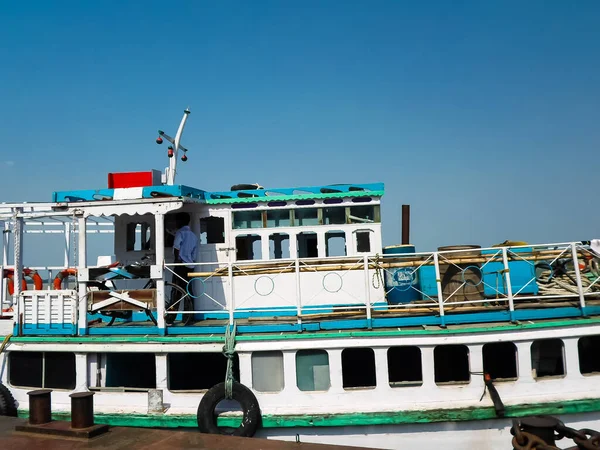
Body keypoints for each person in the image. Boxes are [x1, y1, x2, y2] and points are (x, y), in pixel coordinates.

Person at [167, 212, 198, 324]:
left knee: (176, 291)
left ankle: (171, 317)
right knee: (188, 290)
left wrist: (177, 261)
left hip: (180, 265)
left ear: (180, 221)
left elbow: (176, 248)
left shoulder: (180, 233)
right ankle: (188, 317)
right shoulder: (193, 236)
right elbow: (194, 254)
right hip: (190, 266)